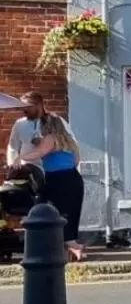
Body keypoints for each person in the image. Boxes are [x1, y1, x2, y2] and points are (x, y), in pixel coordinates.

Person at [26, 111, 86, 262]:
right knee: (70, 213)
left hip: (58, 178)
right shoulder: (69, 140)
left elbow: (40, 152)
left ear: (47, 126)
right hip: (73, 177)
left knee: (49, 210)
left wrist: (19, 158)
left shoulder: (50, 138)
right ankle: (72, 246)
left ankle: (69, 247)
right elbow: (76, 160)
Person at [6, 91, 47, 165]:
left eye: (28, 106)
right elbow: (13, 147)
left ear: (39, 105)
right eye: (22, 107)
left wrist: (45, 143)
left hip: (51, 170)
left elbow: (68, 144)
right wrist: (12, 166)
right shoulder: (20, 123)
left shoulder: (55, 121)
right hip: (27, 169)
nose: (24, 110)